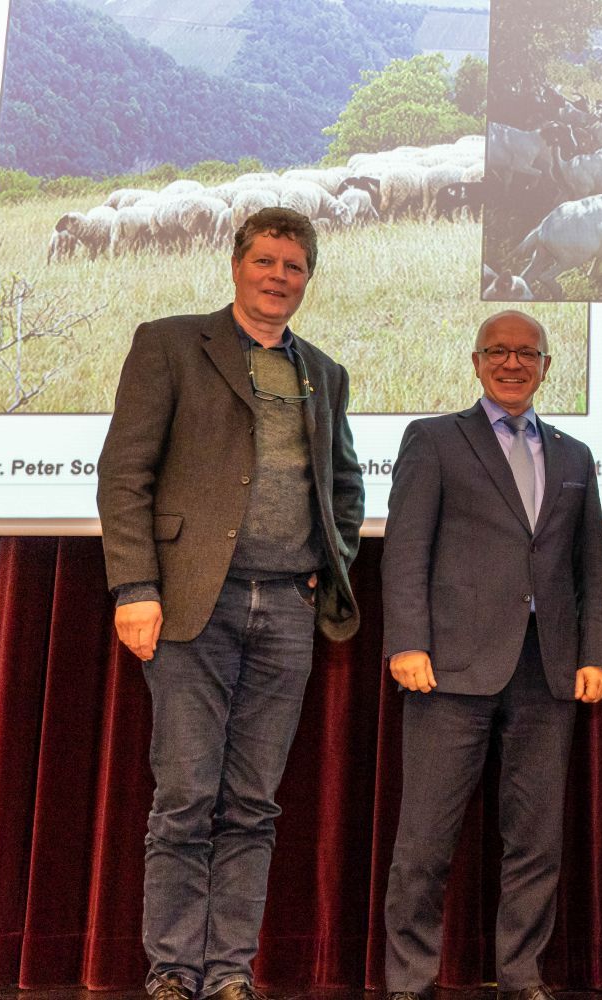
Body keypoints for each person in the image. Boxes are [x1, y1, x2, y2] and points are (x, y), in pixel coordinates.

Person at [97, 207, 365, 1000]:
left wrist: (327, 564)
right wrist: (135, 587)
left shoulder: (325, 371)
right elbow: (125, 474)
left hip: (286, 611)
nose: (279, 277)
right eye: (266, 261)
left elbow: (345, 486)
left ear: (308, 279)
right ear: (237, 264)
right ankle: (173, 969)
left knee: (252, 804)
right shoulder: (170, 343)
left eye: (294, 266)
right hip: (190, 606)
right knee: (186, 797)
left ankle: (228, 973)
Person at [380, 309, 602, 1000]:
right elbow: (406, 550)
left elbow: (590, 565)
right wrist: (407, 642)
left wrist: (597, 653)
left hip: (549, 670)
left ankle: (520, 976)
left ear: (547, 367)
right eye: (498, 352)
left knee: (536, 842)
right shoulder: (433, 439)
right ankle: (409, 980)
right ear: (476, 362)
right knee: (425, 839)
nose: (513, 364)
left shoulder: (575, 455)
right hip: (449, 669)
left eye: (527, 354)